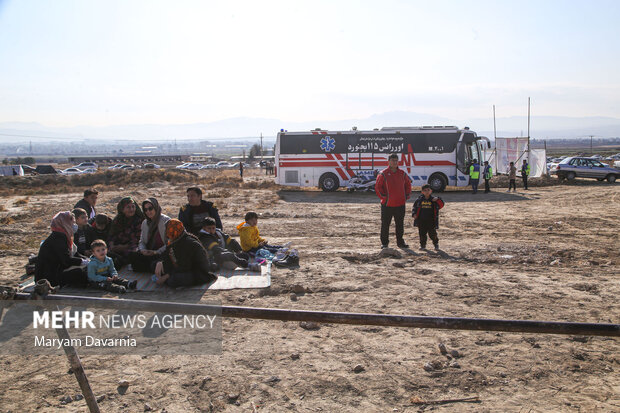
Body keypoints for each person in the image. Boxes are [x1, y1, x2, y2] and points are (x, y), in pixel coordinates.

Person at [154, 219, 218, 288]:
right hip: (181, 267)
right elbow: (166, 254)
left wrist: (166, 276)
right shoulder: (175, 239)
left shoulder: (188, 243)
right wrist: (159, 262)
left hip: (196, 272)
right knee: (154, 265)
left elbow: (185, 266)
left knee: (173, 280)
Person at [35, 211, 88, 287]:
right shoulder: (58, 239)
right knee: (79, 273)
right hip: (47, 278)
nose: (74, 225)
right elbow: (66, 260)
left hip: (56, 270)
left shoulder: (64, 236)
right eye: (72, 223)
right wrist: (83, 262)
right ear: (64, 224)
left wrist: (86, 259)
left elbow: (74, 253)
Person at [375, 153, 412, 249]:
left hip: (400, 204)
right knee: (385, 224)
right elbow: (378, 188)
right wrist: (385, 198)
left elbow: (408, 185)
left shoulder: (402, 173)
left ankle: (400, 242)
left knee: (400, 224)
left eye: (396, 160)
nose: (395, 162)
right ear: (388, 161)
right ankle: (384, 243)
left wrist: (406, 196)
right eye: (393, 160)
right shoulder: (383, 173)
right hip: (387, 205)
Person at [129, 198, 170, 272]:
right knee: (132, 255)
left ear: (156, 207)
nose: (148, 211)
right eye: (145, 210)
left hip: (163, 253)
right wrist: (143, 250)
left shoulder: (166, 221)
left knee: (156, 264)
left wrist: (156, 252)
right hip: (150, 252)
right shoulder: (145, 223)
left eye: (150, 208)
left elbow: (170, 243)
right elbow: (142, 241)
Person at [108, 197, 145, 268]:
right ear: (122, 209)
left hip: (131, 246)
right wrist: (112, 244)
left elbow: (138, 239)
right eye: (128, 207)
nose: (131, 209)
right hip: (117, 245)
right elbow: (111, 235)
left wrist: (124, 247)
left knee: (134, 252)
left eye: (133, 207)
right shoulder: (117, 220)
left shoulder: (139, 220)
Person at [411, 184, 445, 251]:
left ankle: (436, 244)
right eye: (425, 190)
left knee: (432, 233)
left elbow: (441, 205)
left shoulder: (434, 200)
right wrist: (414, 214)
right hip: (421, 220)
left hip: (431, 220)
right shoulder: (419, 200)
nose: (427, 192)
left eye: (428, 190)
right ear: (422, 192)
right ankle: (423, 245)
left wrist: (438, 199)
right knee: (422, 233)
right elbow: (414, 208)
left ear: (431, 191)